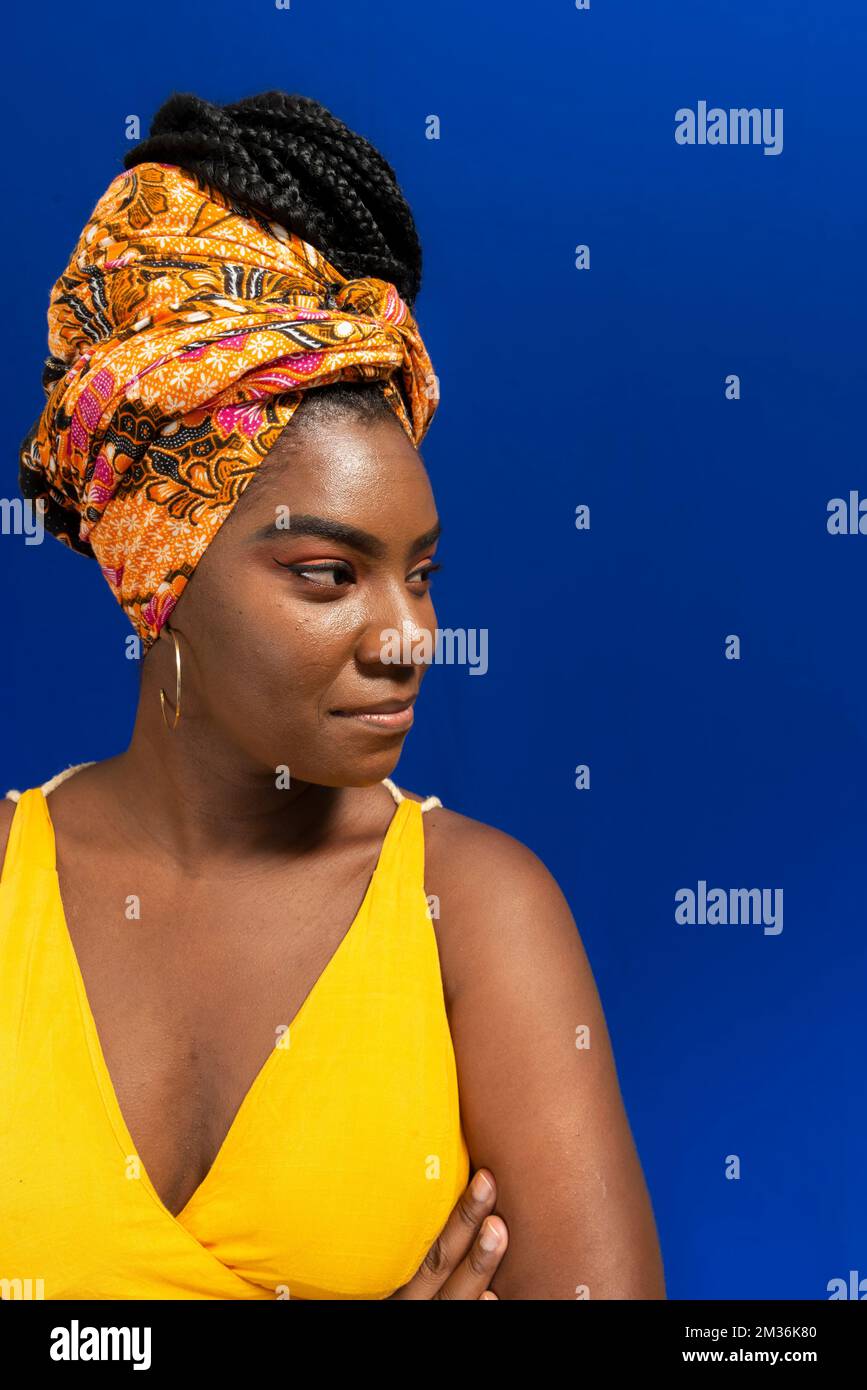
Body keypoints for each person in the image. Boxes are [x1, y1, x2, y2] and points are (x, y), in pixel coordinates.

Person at [0, 90, 665, 1301]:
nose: (410, 638)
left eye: (421, 575)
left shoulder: (473, 912)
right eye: (327, 575)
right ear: (163, 570)